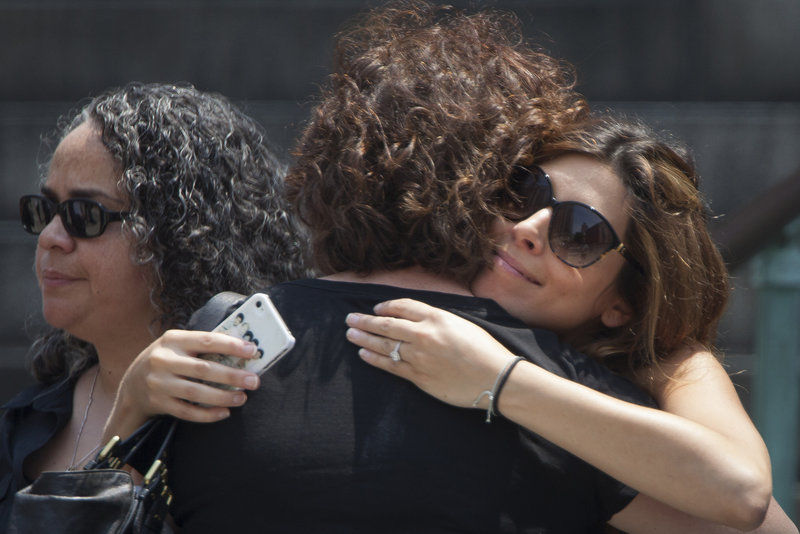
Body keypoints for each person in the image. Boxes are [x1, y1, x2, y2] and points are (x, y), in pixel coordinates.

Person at [344, 116, 798, 532]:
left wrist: (498, 380)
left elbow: (746, 496)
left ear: (623, 303)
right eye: (524, 193)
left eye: (579, 233)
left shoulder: (672, 365)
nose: (527, 226)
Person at [0, 82, 311, 530]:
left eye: (84, 215)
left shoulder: (258, 424)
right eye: (44, 210)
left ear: (181, 239)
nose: (50, 236)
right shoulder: (22, 424)